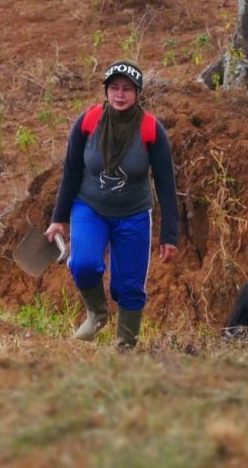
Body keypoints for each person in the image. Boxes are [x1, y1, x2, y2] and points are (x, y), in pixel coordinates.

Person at [45, 60, 179, 349]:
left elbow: (166, 184)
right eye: (114, 88)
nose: (120, 95)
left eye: (127, 89)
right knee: (83, 264)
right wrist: (59, 218)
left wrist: (170, 234)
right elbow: (71, 170)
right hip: (89, 207)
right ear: (106, 91)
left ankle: (126, 344)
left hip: (133, 214)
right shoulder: (88, 122)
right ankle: (96, 314)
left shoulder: (151, 129)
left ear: (138, 93)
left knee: (129, 285)